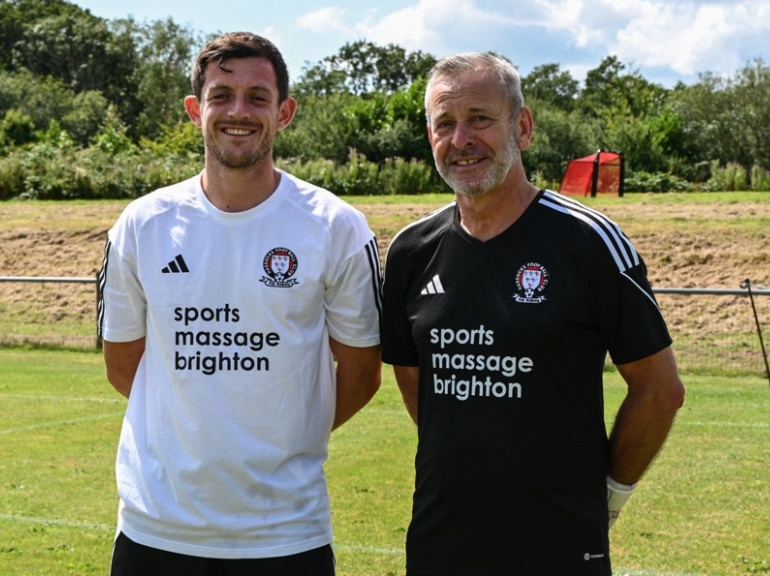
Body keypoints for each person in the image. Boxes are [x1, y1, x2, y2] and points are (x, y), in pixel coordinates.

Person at [380, 52, 685, 575]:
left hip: (559, 542)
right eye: (444, 124)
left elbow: (660, 390)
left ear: (521, 127)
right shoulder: (410, 251)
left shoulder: (589, 242)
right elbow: (419, 390)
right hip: (440, 540)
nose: (462, 139)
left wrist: (609, 495)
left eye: (479, 118)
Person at [97, 31, 383, 575]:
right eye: (221, 94)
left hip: (285, 533)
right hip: (156, 527)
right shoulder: (142, 224)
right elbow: (121, 366)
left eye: (258, 97)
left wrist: (283, 435)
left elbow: (363, 373)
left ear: (285, 112)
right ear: (194, 109)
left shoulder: (336, 227)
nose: (239, 111)